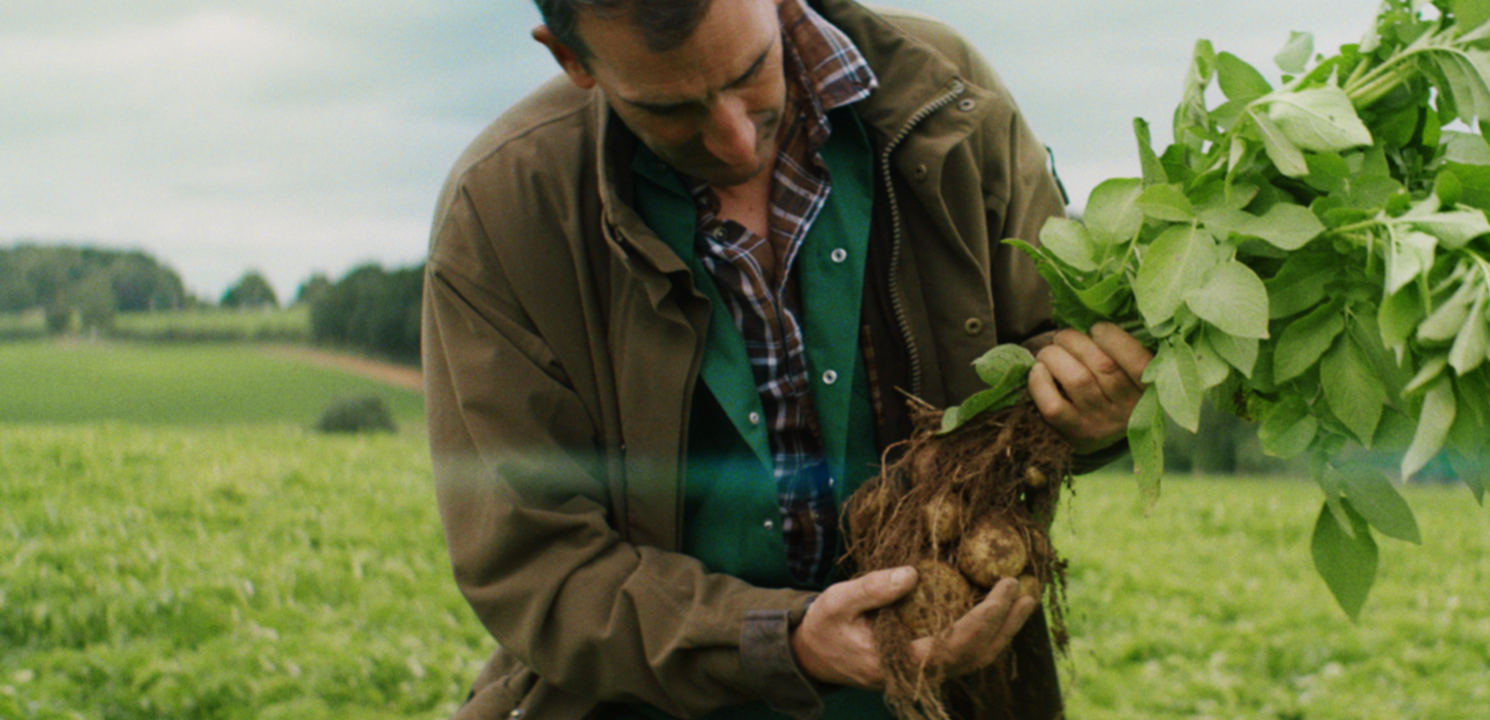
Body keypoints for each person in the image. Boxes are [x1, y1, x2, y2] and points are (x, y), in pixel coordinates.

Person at [422, 0, 1150, 718]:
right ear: (572, 59)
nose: (736, 141)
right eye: (671, 110)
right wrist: (784, 643)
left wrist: (1094, 409)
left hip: (943, 697)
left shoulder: (945, 96)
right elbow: (537, 565)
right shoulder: (501, 208)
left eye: (749, 73)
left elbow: (1048, 356)